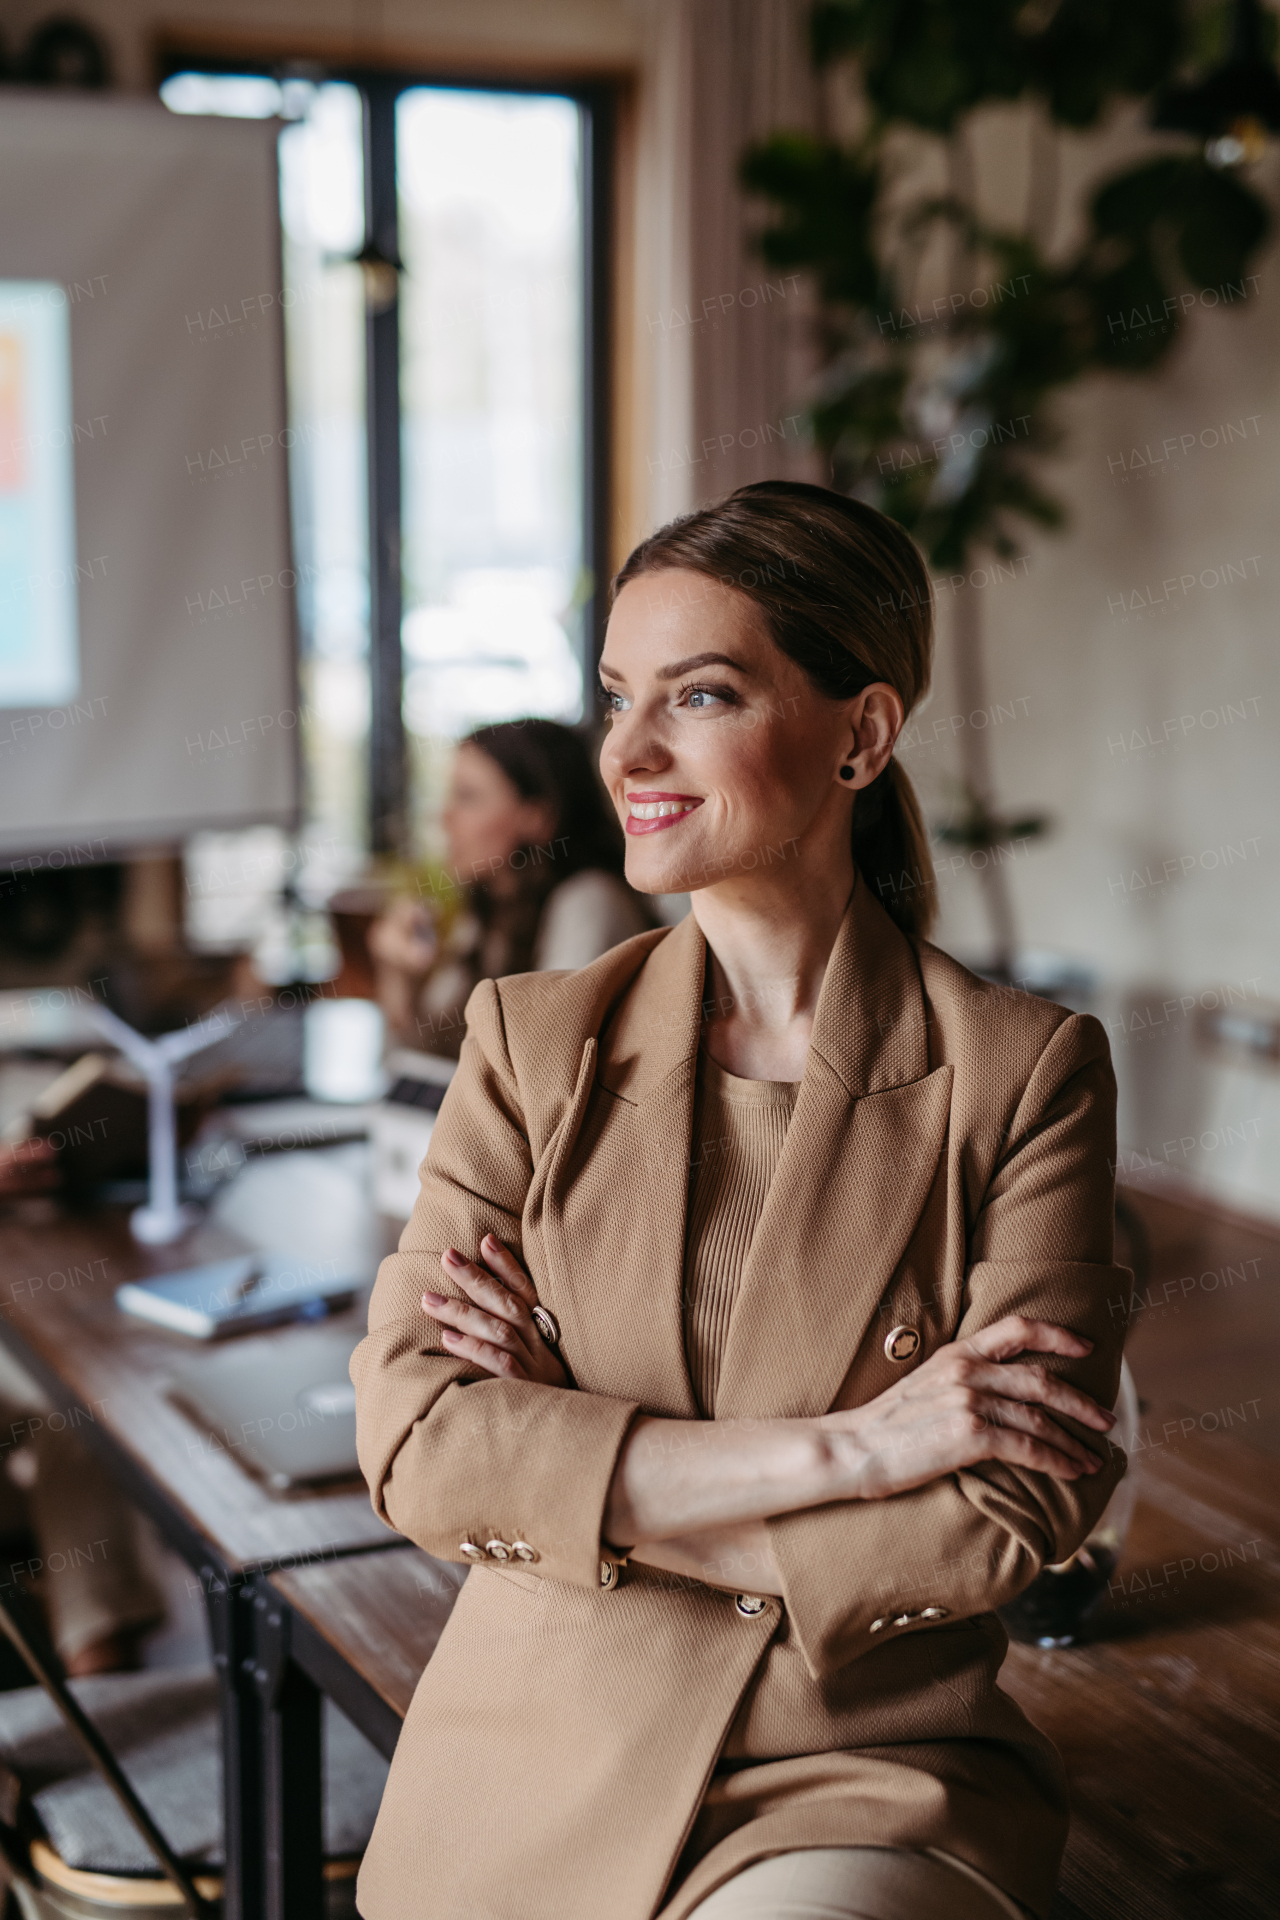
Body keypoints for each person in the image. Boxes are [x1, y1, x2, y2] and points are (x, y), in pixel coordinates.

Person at [351, 482, 1129, 1920]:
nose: (630, 753)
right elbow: (421, 1448)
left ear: (862, 733)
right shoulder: (529, 1042)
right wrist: (857, 1450)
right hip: (535, 1742)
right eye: (615, 698)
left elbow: (1017, 1503)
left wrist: (574, 1458)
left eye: (699, 695)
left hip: (854, 1758)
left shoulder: (1022, 1073)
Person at [367, 717, 653, 1058]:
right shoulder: (492, 907)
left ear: (537, 817)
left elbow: (545, 1066)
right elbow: (421, 1066)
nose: (444, 817)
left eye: (468, 797)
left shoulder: (590, 903)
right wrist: (398, 975)